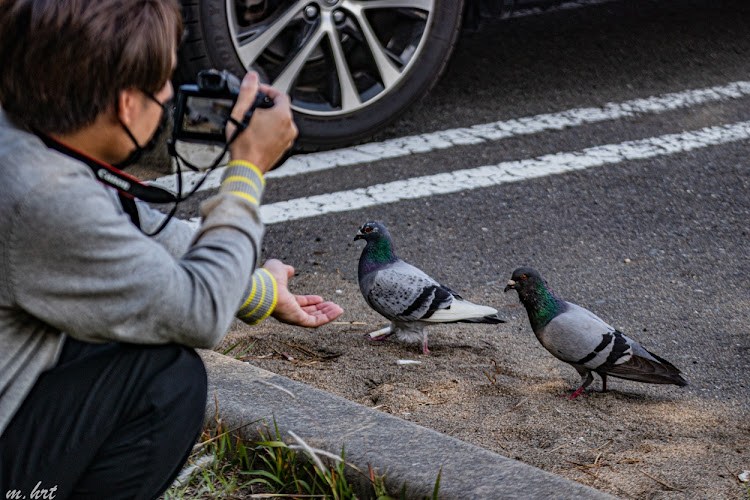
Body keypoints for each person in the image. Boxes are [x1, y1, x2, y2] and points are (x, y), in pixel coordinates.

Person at [0, 1, 343, 498]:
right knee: (165, 380)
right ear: (125, 104)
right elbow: (197, 313)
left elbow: (126, 233)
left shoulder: (21, 136)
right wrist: (246, 171)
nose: (169, 96)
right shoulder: (43, 196)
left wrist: (260, 291)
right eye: (163, 84)